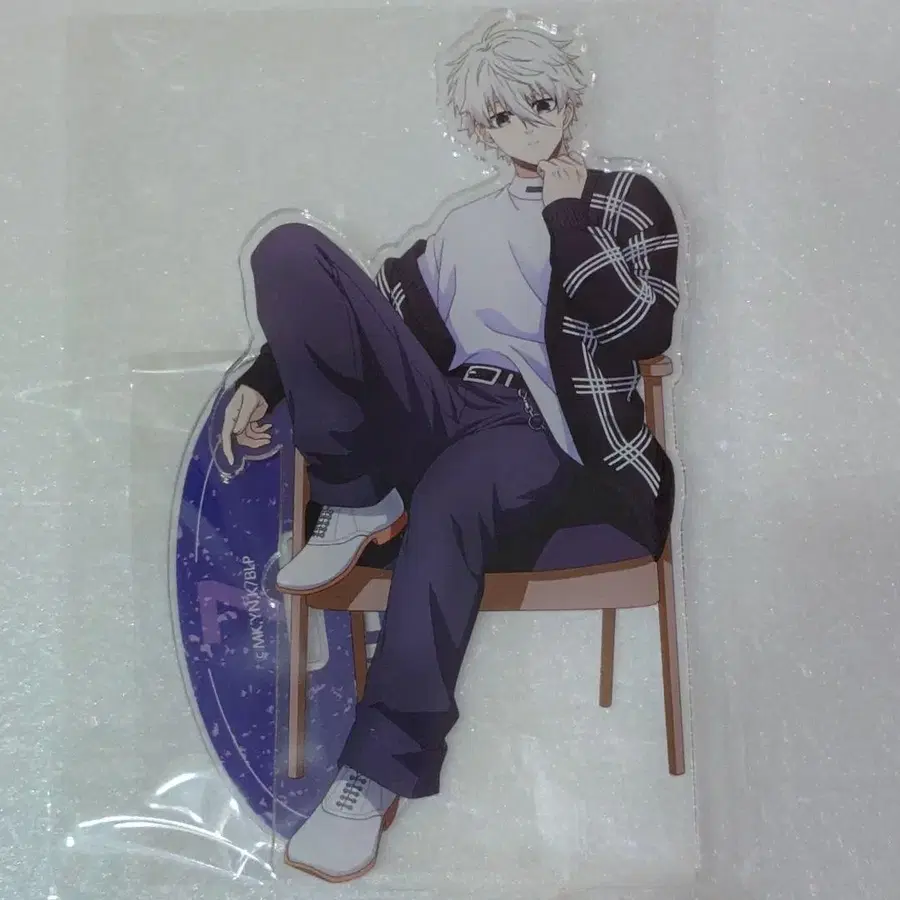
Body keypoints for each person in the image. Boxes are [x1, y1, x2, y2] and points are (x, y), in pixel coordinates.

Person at [221, 15, 681, 883]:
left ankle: (371, 777)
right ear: (479, 128)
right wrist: (263, 377)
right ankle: (358, 496)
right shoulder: (465, 225)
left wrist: (568, 216)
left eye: (540, 106)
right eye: (503, 117)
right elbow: (366, 316)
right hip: (452, 406)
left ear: (569, 101)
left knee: (454, 491)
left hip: (548, 436)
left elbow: (642, 326)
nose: (527, 129)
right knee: (291, 251)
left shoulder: (624, 201)